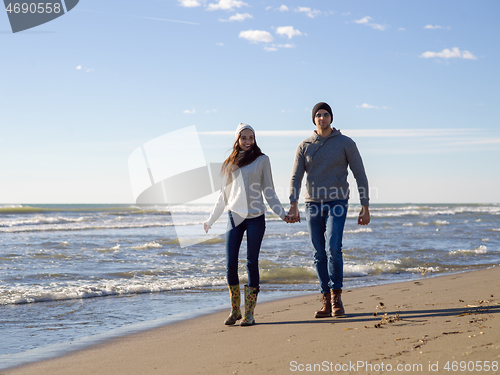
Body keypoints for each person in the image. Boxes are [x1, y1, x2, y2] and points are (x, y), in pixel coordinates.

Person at [287, 102, 370, 318]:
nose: (322, 118)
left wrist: (365, 205)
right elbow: (296, 177)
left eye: (326, 115)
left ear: (331, 118)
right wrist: (293, 203)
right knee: (318, 252)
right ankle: (325, 297)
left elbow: (359, 174)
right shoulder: (304, 146)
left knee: (334, 247)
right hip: (312, 204)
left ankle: (336, 298)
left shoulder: (346, 143)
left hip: (337, 202)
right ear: (313, 119)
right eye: (318, 115)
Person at [204, 123, 288, 326]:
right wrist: (210, 220)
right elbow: (223, 196)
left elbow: (269, 191)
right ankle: (235, 311)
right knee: (230, 264)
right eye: (244, 138)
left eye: (251, 137)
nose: (248, 141)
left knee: (251, 263)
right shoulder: (229, 163)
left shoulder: (262, 160)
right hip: (234, 217)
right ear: (237, 140)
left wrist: (283, 214)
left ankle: (249, 314)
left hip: (256, 218)